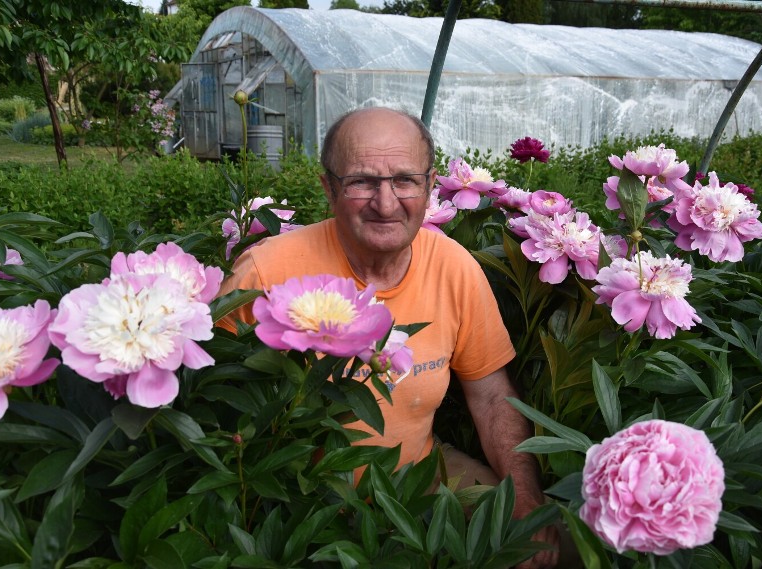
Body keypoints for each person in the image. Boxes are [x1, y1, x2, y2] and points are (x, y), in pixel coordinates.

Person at [218, 106, 562, 568]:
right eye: (362, 181)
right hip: (295, 493)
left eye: (404, 180)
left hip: (418, 473)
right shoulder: (266, 271)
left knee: (547, 543)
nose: (385, 203)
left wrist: (524, 499)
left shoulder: (454, 266)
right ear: (328, 187)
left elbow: (492, 396)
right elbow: (216, 405)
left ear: (428, 185)